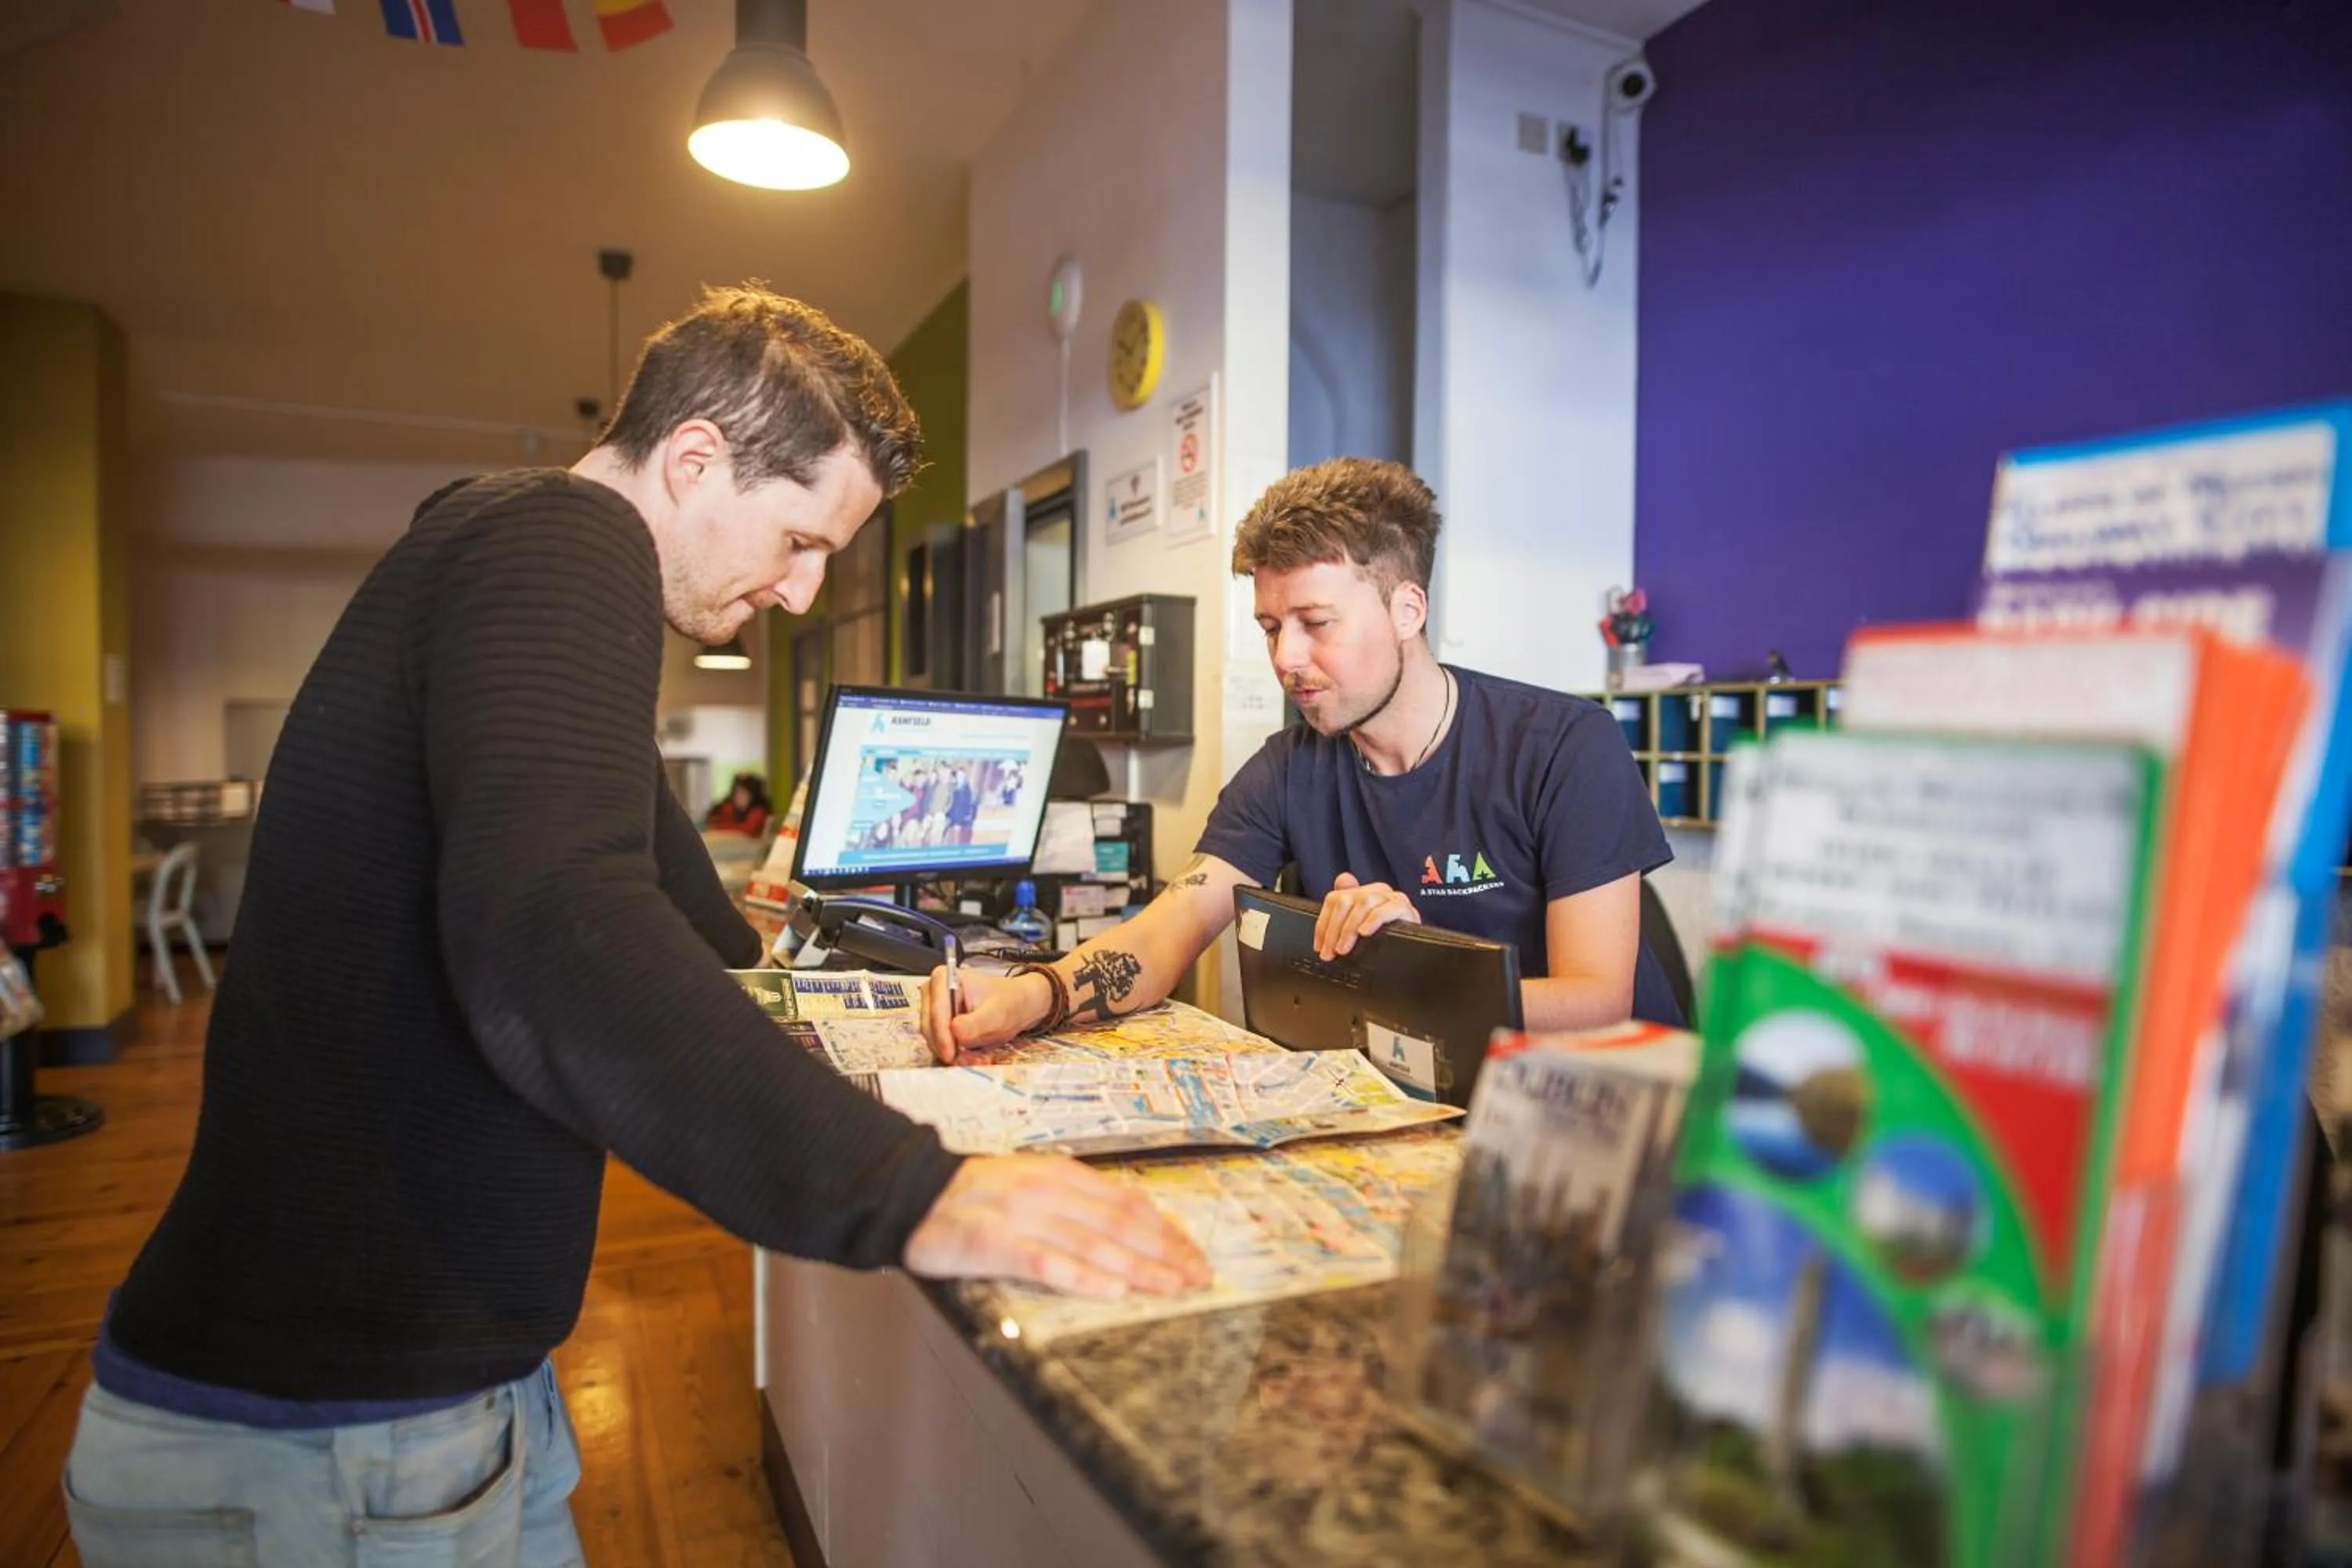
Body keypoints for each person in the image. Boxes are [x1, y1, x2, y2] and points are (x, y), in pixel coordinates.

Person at [63, 285, 1207, 1566]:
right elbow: (555, 934)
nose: (801, 593)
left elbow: (690, 920)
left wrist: (829, 967)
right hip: (325, 1440)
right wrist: (914, 1192)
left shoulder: (499, 552)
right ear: (694, 459)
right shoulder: (561, 537)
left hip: (418, 1408)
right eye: (800, 540)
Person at [923, 456, 1674, 1064]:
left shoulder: (1565, 744)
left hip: (1596, 1107)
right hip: (1424, 1093)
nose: (1286, 658)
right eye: (1271, 627)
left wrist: (1411, 969)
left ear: (1407, 610)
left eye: (1316, 623)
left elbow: (1595, 1000)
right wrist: (1035, 994)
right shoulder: (1288, 769)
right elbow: (1166, 933)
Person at [704, 770, 771, 836]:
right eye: (736, 792)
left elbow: (748, 829)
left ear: (752, 795)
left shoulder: (759, 809)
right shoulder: (729, 806)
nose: (738, 797)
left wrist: (719, 828)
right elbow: (712, 820)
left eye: (743, 793)